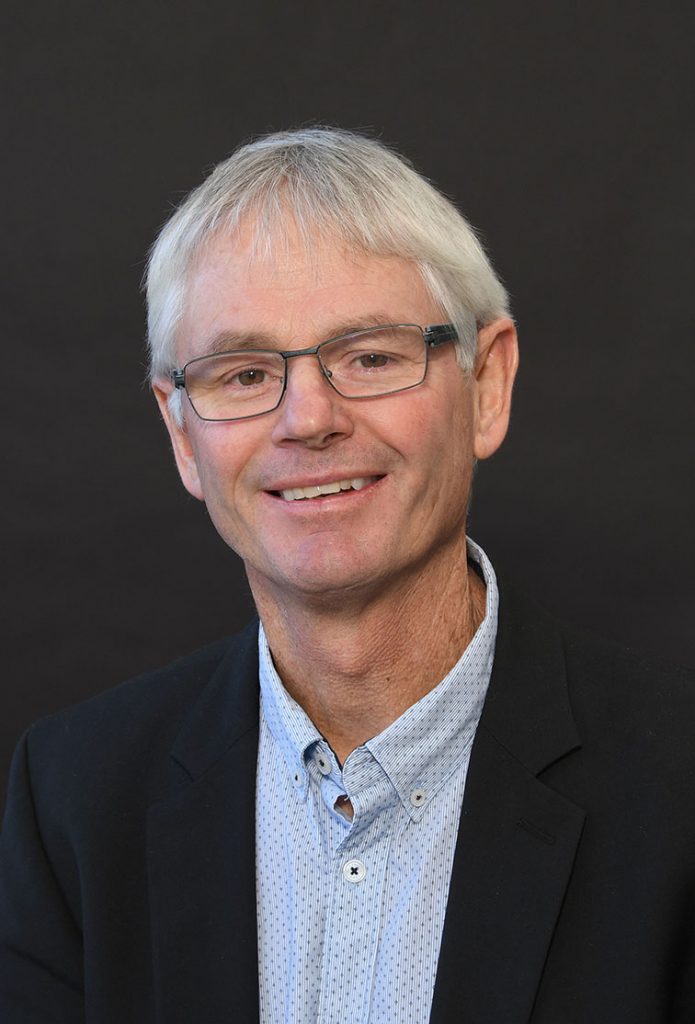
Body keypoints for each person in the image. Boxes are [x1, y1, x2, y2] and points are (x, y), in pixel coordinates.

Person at [1, 127, 693, 1024]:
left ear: (486, 385)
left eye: (370, 355)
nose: (308, 419)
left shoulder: (675, 789)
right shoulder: (75, 798)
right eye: (244, 373)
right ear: (182, 435)